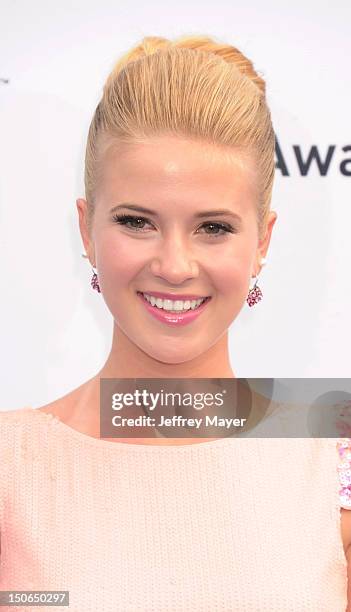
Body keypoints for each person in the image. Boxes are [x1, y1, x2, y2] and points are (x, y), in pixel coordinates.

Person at [0, 34, 350, 611]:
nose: (173, 266)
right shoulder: (13, 468)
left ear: (263, 240)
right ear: (86, 229)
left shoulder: (331, 465)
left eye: (213, 228)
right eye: (137, 222)